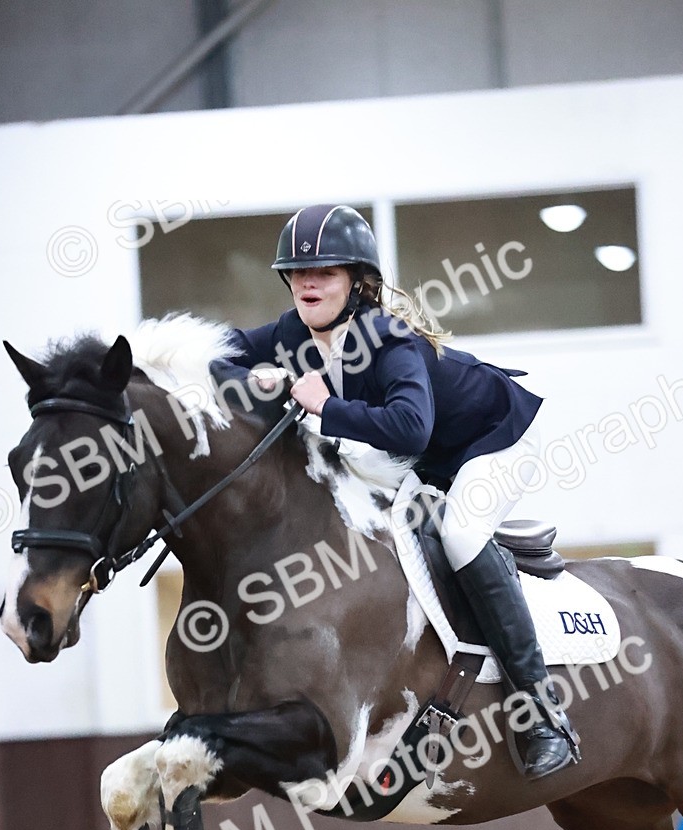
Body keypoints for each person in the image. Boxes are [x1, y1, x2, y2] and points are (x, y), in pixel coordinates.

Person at [208, 203, 579, 779]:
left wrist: (325, 406)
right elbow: (217, 352)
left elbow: (412, 426)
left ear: (357, 282)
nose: (308, 283)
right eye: (299, 273)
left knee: (459, 533)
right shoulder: (289, 334)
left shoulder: (389, 339)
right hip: (424, 459)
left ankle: (541, 713)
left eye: (325, 272)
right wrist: (252, 376)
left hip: (492, 442)